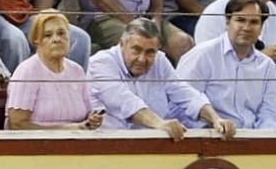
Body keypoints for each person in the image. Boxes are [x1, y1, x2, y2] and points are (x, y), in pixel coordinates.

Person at [87, 15, 231, 137]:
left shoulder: (160, 60)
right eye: (136, 50)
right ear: (122, 44)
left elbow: (184, 93)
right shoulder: (101, 63)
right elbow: (126, 102)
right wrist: (159, 123)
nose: (142, 59)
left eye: (150, 52)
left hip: (153, 143)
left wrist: (215, 119)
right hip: (111, 144)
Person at [175, 0, 276, 129]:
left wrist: (266, 140)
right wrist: (209, 128)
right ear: (227, 23)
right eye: (240, 20)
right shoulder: (202, 55)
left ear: (261, 28)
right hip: (209, 137)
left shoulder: (267, 66)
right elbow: (179, 104)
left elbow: (268, 113)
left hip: (251, 140)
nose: (246, 28)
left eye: (254, 22)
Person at [5, 9, 103, 131]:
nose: (57, 39)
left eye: (61, 33)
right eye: (48, 35)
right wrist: (67, 130)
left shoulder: (77, 70)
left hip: (77, 144)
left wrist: (92, 120)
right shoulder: (27, 71)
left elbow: (87, 113)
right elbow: (17, 125)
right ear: (37, 41)